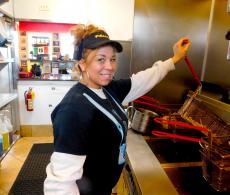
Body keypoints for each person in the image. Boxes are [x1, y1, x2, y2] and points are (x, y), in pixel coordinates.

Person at [44, 24, 190, 195]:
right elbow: (60, 184)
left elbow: (143, 80)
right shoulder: (73, 111)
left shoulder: (107, 89)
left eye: (112, 59)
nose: (110, 66)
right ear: (83, 64)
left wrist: (174, 59)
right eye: (101, 59)